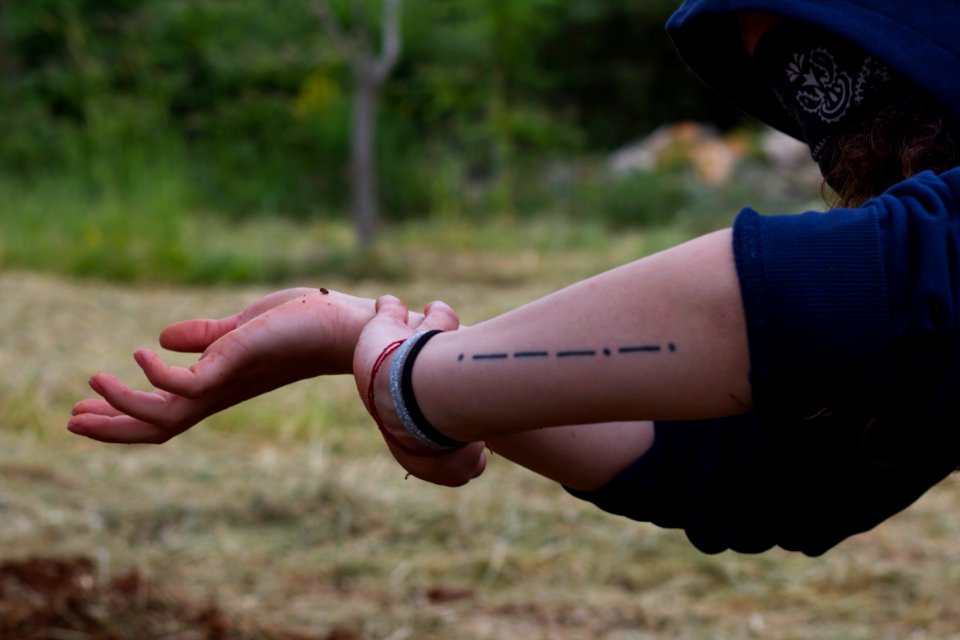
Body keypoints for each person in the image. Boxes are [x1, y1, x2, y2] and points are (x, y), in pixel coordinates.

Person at [68, 0, 960, 556]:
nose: (841, 141)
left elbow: (861, 286)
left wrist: (414, 381)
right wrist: (371, 343)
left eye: (846, 75)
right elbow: (767, 472)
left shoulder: (911, 271)